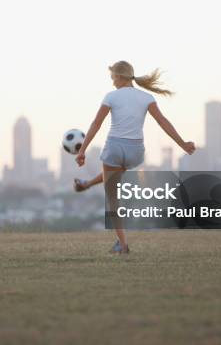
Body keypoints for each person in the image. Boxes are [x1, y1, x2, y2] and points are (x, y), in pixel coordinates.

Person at [74, 61, 196, 254]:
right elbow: (163, 122)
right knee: (116, 172)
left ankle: (122, 245)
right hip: (135, 152)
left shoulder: (111, 97)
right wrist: (183, 144)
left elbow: (96, 124)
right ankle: (87, 183)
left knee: (112, 199)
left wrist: (82, 151)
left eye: (113, 76)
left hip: (114, 146)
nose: (112, 81)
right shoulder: (146, 97)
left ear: (120, 77)